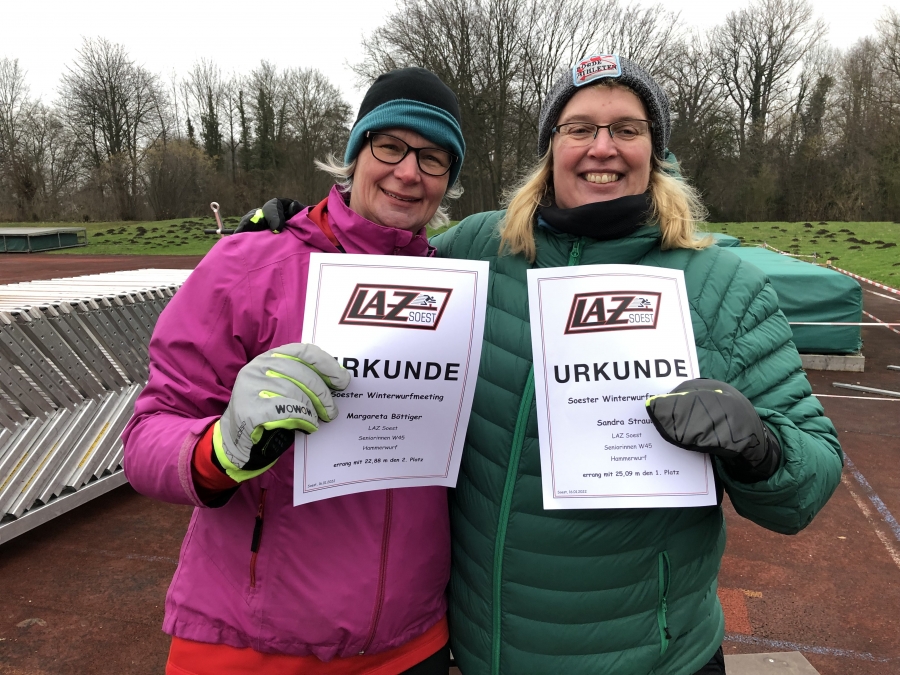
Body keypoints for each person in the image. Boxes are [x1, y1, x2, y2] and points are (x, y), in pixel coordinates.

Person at [431, 54, 843, 674]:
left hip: (654, 656)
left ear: (655, 150)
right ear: (551, 147)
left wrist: (760, 448)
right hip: (488, 651)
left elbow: (807, 485)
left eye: (627, 128)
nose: (603, 148)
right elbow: (365, 274)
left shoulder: (723, 287)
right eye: (580, 128)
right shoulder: (477, 249)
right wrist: (291, 237)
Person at [121, 67, 466, 675]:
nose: (409, 171)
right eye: (390, 146)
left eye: (434, 158)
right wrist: (219, 447)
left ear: (448, 181)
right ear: (355, 153)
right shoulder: (248, 265)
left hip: (412, 644)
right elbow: (148, 436)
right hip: (252, 647)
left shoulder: (457, 289)